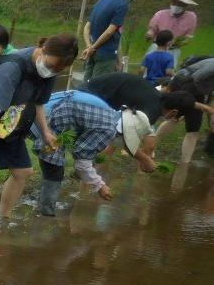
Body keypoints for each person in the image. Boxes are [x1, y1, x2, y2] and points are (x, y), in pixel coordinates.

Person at [0, 34, 78, 224]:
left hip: (10, 118)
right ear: (44, 50)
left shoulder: (49, 72)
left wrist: (46, 132)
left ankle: (4, 220)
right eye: (51, 66)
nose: (52, 71)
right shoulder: (12, 67)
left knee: (23, 171)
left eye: (58, 69)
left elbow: (38, 103)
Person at [31, 91, 156, 215]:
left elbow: (80, 148)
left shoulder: (110, 114)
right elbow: (82, 164)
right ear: (124, 134)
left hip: (47, 107)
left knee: (52, 164)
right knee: (55, 168)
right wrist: (100, 186)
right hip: (46, 116)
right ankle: (45, 213)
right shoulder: (108, 129)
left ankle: (41, 204)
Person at [82, 72, 211, 165]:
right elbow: (125, 140)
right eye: (176, 118)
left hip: (96, 91)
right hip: (89, 97)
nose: (174, 120)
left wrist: (206, 108)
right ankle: (86, 179)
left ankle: (96, 164)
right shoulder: (151, 113)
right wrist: (146, 161)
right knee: (97, 140)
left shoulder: (158, 98)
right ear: (173, 112)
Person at [82, 0, 143, 80]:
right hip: (105, 54)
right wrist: (94, 47)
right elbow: (110, 31)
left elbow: (87, 26)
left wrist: (89, 47)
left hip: (92, 52)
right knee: (99, 87)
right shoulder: (122, 4)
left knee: (85, 84)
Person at [169, 57, 214, 162]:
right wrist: (199, 104)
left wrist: (210, 115)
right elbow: (196, 78)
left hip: (194, 88)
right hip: (188, 85)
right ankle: (151, 144)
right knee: (178, 118)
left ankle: (185, 162)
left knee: (191, 127)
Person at [145, 0, 198, 68]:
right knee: (148, 69)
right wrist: (149, 34)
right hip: (157, 47)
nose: (176, 5)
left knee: (168, 73)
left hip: (174, 50)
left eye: (180, 3)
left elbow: (189, 37)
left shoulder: (191, 17)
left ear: (186, 5)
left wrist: (180, 42)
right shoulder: (160, 14)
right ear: (171, 1)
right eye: (174, 2)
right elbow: (152, 30)